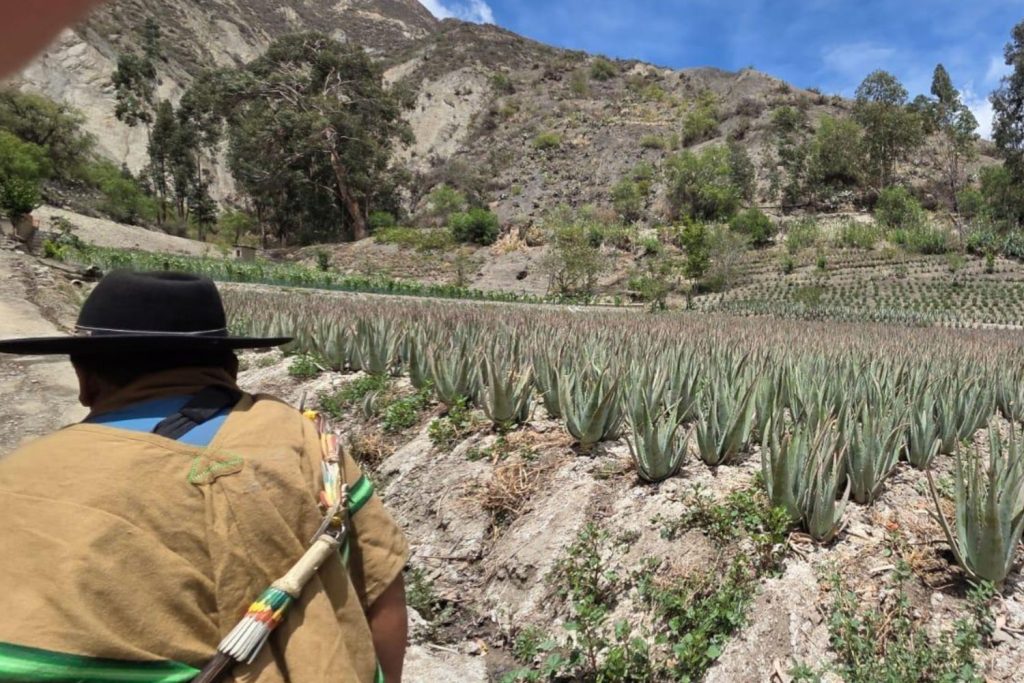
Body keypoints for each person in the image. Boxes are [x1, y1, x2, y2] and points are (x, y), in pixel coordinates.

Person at [0, 270, 409, 682]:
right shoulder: (305, 444)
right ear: (229, 368)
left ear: (84, 380)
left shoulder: (17, 477)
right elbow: (380, 589)